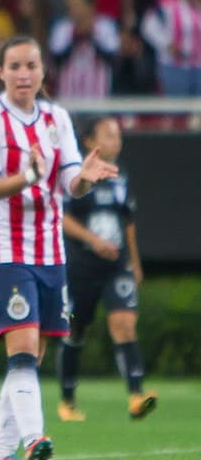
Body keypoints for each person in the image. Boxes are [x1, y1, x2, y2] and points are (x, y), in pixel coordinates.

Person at [0, 36, 119, 460]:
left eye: (31, 65)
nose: (23, 74)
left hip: (50, 249)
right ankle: (34, 441)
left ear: (43, 71)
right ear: (1, 72)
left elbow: (70, 181)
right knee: (24, 347)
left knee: (35, 352)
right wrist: (27, 175)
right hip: (4, 246)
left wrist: (84, 180)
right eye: (14, 66)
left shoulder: (56, 119)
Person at [57, 116, 157, 421]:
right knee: (75, 329)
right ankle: (67, 400)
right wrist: (92, 240)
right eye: (110, 135)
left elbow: (128, 222)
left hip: (116, 267)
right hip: (81, 269)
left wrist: (134, 262)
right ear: (90, 142)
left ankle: (136, 396)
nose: (118, 140)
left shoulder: (121, 176)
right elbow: (63, 218)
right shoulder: (77, 177)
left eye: (118, 135)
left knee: (125, 324)